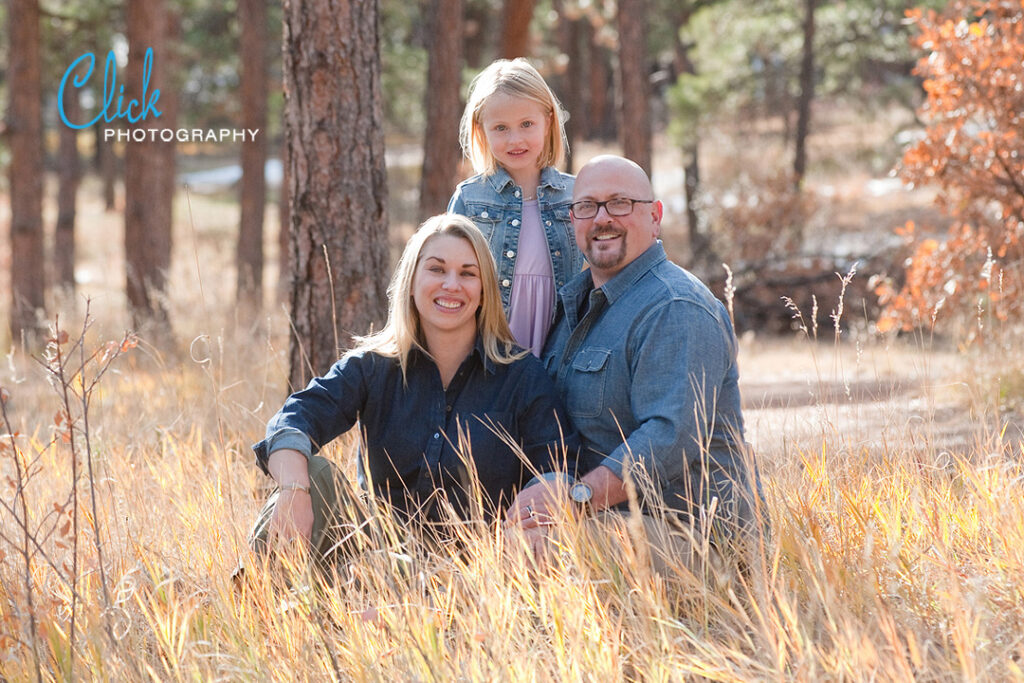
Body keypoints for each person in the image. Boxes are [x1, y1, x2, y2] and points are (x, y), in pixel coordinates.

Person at [244, 214, 578, 571]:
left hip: (470, 572)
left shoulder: (521, 376)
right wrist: (295, 490)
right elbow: (293, 421)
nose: (452, 285)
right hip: (371, 551)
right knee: (315, 473)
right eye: (437, 269)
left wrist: (537, 515)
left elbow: (558, 467)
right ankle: (254, 603)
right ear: (412, 280)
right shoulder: (372, 366)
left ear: (484, 291)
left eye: (468, 273)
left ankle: (355, 605)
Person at [506, 155, 761, 576]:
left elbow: (669, 436)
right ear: (573, 221)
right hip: (611, 521)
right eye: (587, 206)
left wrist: (575, 498)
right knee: (500, 533)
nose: (602, 218)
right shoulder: (573, 308)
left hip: (695, 540)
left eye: (620, 203)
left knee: (536, 549)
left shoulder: (675, 307)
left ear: (655, 216)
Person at [448, 58, 583, 357]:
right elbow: (450, 275)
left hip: (560, 349)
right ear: (481, 130)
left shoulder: (576, 195)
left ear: (548, 121)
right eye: (500, 128)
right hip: (490, 349)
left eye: (526, 124)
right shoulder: (470, 200)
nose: (515, 139)